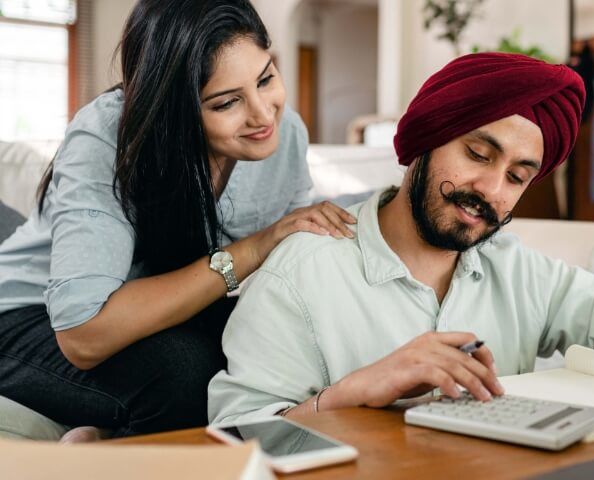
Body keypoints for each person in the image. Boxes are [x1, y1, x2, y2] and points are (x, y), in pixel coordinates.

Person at [208, 53, 594, 425]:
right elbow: (234, 434)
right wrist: (357, 389)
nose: (490, 189)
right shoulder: (302, 271)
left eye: (516, 176)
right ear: (427, 141)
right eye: (478, 154)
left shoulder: (513, 265)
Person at [0, 0, 355, 440]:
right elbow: (83, 334)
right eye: (227, 103)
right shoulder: (107, 137)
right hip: (28, 313)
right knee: (185, 371)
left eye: (266, 78)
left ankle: (103, 438)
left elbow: (290, 270)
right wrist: (252, 248)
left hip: (154, 310)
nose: (264, 115)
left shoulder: (285, 135)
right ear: (174, 109)